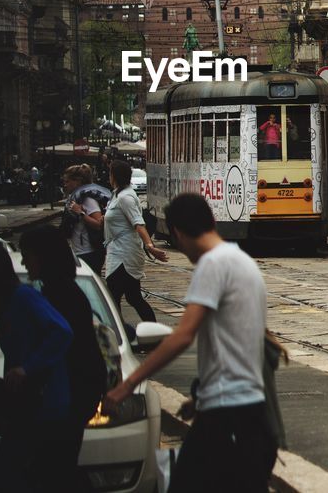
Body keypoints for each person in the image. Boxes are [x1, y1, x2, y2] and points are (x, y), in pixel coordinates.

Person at [104, 194, 277, 492]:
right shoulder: (241, 262)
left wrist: (127, 385)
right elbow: (238, 343)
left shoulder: (212, 265)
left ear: (178, 233)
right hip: (247, 412)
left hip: (227, 415)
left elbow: (184, 335)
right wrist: (199, 398)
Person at [0, 241, 75, 493]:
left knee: (12, 475)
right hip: (28, 407)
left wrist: (27, 368)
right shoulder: (9, 302)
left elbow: (62, 331)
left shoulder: (23, 297)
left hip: (42, 408)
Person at [18, 225, 108, 491]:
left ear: (42, 256)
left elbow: (62, 343)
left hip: (72, 395)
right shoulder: (61, 290)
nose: (24, 261)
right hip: (77, 393)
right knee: (59, 467)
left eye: (27, 255)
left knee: (57, 468)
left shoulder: (59, 294)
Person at [103, 159, 168, 331]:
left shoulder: (126, 198)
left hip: (124, 255)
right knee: (133, 297)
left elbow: (139, 224)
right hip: (118, 251)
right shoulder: (118, 194)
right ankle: (152, 334)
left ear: (114, 176)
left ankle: (120, 335)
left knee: (113, 297)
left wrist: (150, 245)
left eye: (110, 173)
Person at [61, 164, 108, 275]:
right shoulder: (76, 198)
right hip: (80, 252)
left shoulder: (87, 200)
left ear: (78, 181)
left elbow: (98, 224)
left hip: (89, 252)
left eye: (68, 181)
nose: (65, 185)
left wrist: (80, 213)